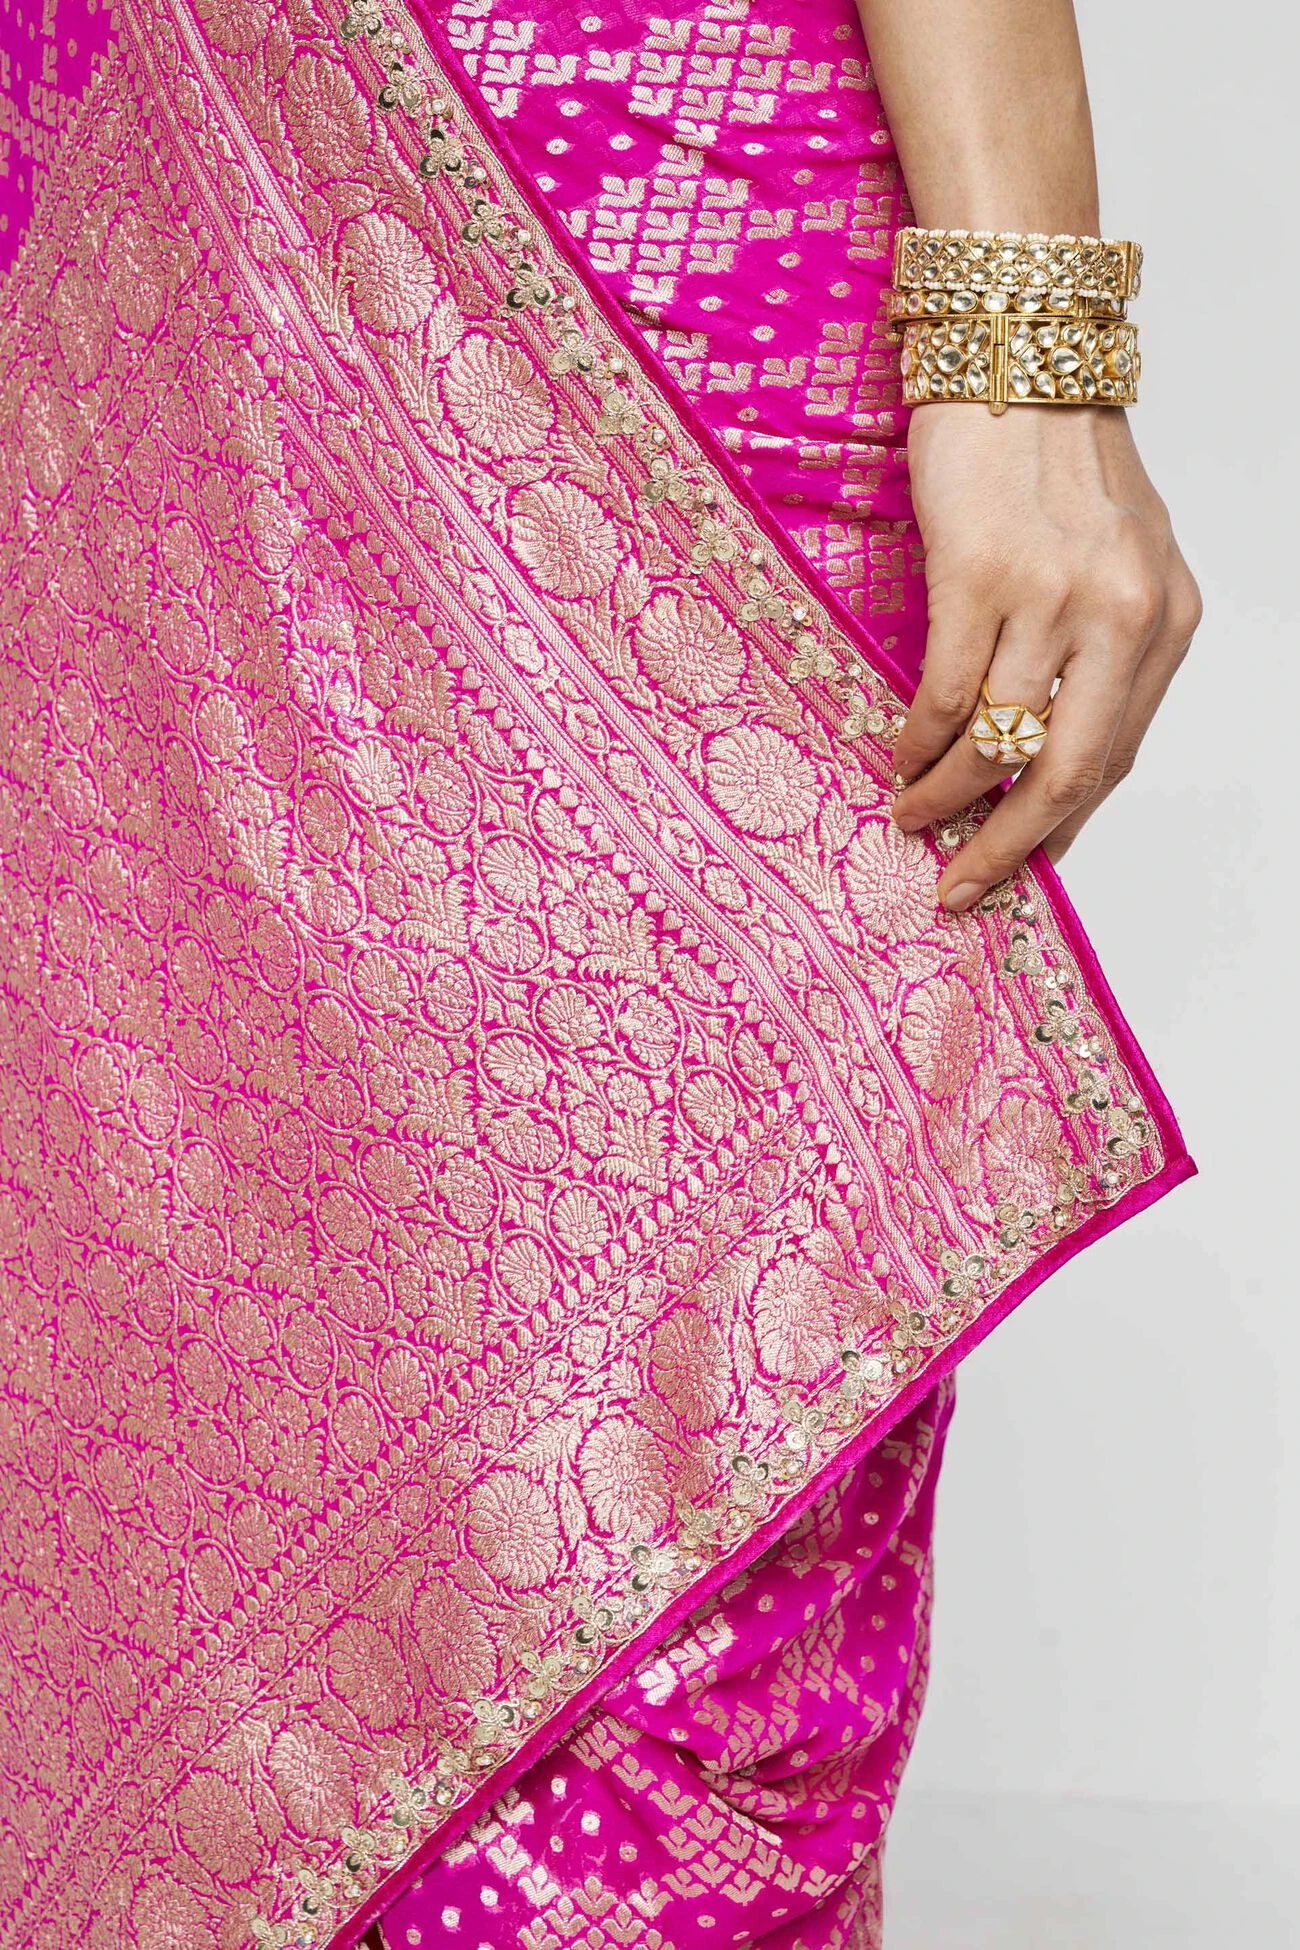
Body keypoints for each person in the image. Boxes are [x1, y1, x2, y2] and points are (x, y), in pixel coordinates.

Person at [0, 2, 1196, 1946]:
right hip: (125, 198)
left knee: (641, 1559)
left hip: (599, 230)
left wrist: (1024, 351)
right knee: (131, 1381)